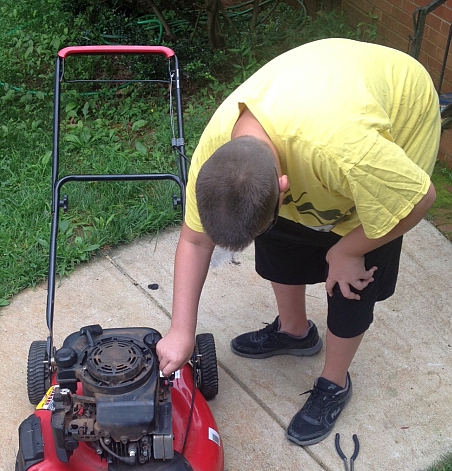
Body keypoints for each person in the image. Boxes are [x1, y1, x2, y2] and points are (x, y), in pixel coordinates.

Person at [156, 38, 441, 446]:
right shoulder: (216, 159)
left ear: (284, 186)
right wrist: (181, 330)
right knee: (281, 238)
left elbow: (418, 199)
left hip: (398, 107)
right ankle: (294, 332)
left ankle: (335, 382)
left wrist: (348, 250)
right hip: (319, 106)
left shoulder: (349, 152)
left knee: (351, 285)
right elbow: (196, 242)